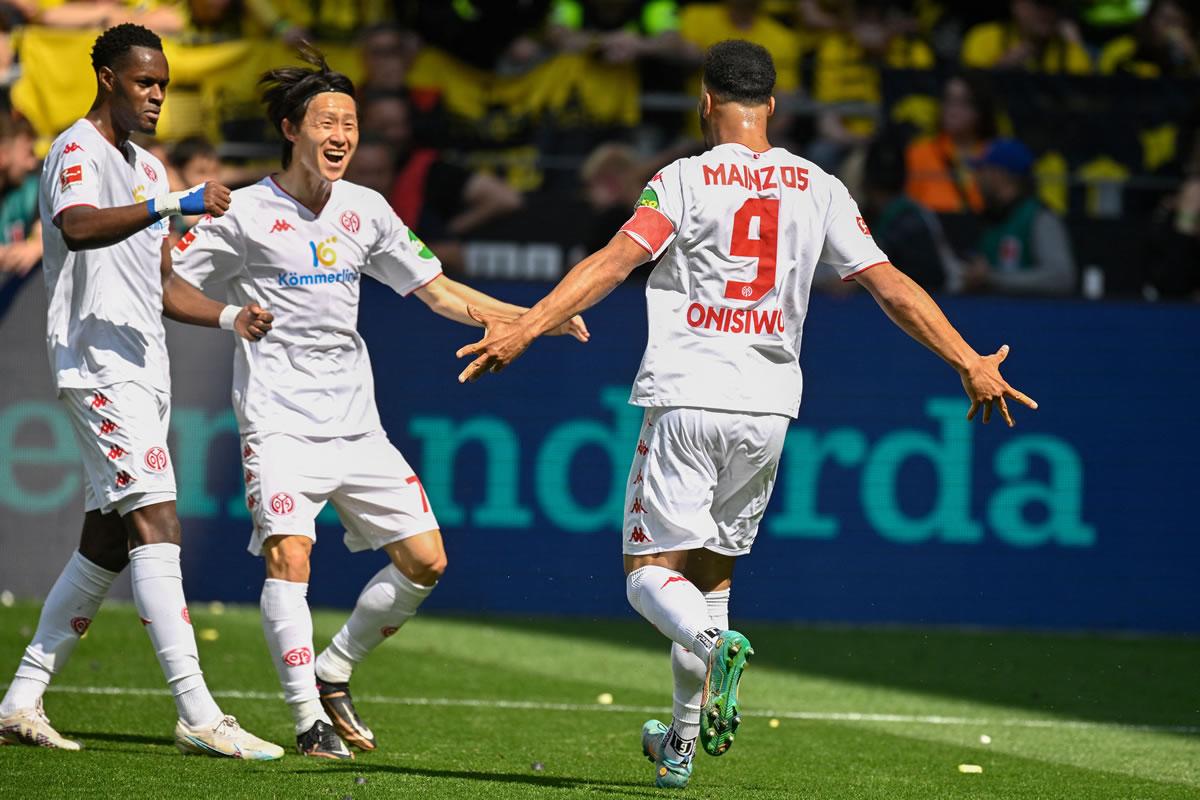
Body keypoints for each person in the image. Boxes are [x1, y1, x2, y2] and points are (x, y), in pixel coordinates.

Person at [456, 39, 1036, 789]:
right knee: (711, 581)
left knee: (647, 578)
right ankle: (680, 747)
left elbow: (616, 260)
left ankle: (710, 646)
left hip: (689, 395)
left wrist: (527, 326)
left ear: (705, 102)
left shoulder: (683, 180)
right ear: (771, 106)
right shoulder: (817, 185)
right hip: (767, 413)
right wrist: (967, 359)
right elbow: (888, 284)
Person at [161, 47, 588, 759]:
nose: (342, 136)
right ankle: (308, 722)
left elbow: (440, 292)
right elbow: (172, 283)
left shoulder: (368, 211)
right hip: (278, 420)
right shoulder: (243, 211)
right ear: (293, 128)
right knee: (290, 555)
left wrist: (529, 318)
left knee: (427, 562)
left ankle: (333, 671)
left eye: (351, 125)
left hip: (356, 426)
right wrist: (229, 315)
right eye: (328, 122)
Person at [0, 24, 281, 759]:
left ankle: (21, 698)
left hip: (143, 370)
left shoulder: (151, 171)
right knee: (156, 519)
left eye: (163, 84)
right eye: (144, 82)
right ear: (105, 78)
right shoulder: (74, 150)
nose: (157, 95)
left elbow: (160, 284)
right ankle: (197, 710)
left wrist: (228, 315)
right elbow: (77, 224)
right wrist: (172, 207)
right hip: (93, 365)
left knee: (108, 542)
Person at [965, 138, 1077, 295]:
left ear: (1000, 174)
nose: (976, 178)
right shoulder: (991, 216)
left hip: (1033, 315)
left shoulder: (1040, 217)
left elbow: (1061, 278)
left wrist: (993, 278)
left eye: (982, 170)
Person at [904, 73, 997, 214]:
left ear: (981, 109)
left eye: (963, 102)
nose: (952, 110)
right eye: (948, 100)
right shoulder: (918, 153)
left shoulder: (994, 155)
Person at [961, 0, 1092, 74]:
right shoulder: (984, 38)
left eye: (1053, 5)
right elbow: (966, 93)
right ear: (1016, 5)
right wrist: (1001, 69)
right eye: (1039, 4)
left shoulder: (1070, 51)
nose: (1047, 13)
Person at [0, 113, 41, 277]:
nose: (32, 163)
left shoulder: (29, 189)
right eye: (27, 152)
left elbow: (44, 235)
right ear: (3, 155)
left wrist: (37, 247)